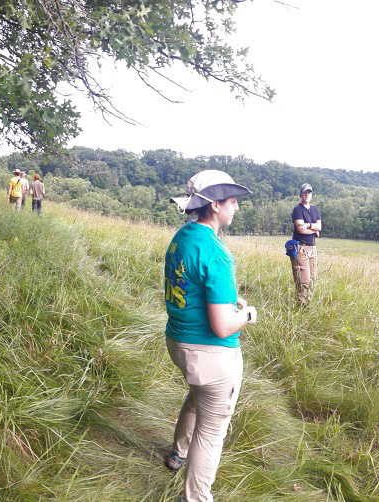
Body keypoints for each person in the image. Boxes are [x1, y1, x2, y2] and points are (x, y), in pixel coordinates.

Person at [163, 170, 258, 502]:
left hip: (178, 342)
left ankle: (177, 454)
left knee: (197, 396)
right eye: (233, 202)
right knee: (212, 430)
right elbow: (221, 327)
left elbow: (192, 288)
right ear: (215, 205)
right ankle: (196, 498)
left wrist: (231, 303)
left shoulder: (183, 236)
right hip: (210, 354)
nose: (236, 208)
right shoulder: (217, 253)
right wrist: (246, 315)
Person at [290, 183, 322, 303]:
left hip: (313, 248)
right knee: (303, 281)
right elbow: (300, 229)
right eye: (305, 192)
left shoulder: (315, 209)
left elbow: (319, 227)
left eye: (309, 192)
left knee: (313, 279)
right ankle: (300, 306)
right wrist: (313, 230)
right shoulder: (297, 210)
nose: (307, 194)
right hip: (301, 248)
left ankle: (308, 304)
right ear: (301, 194)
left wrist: (308, 225)